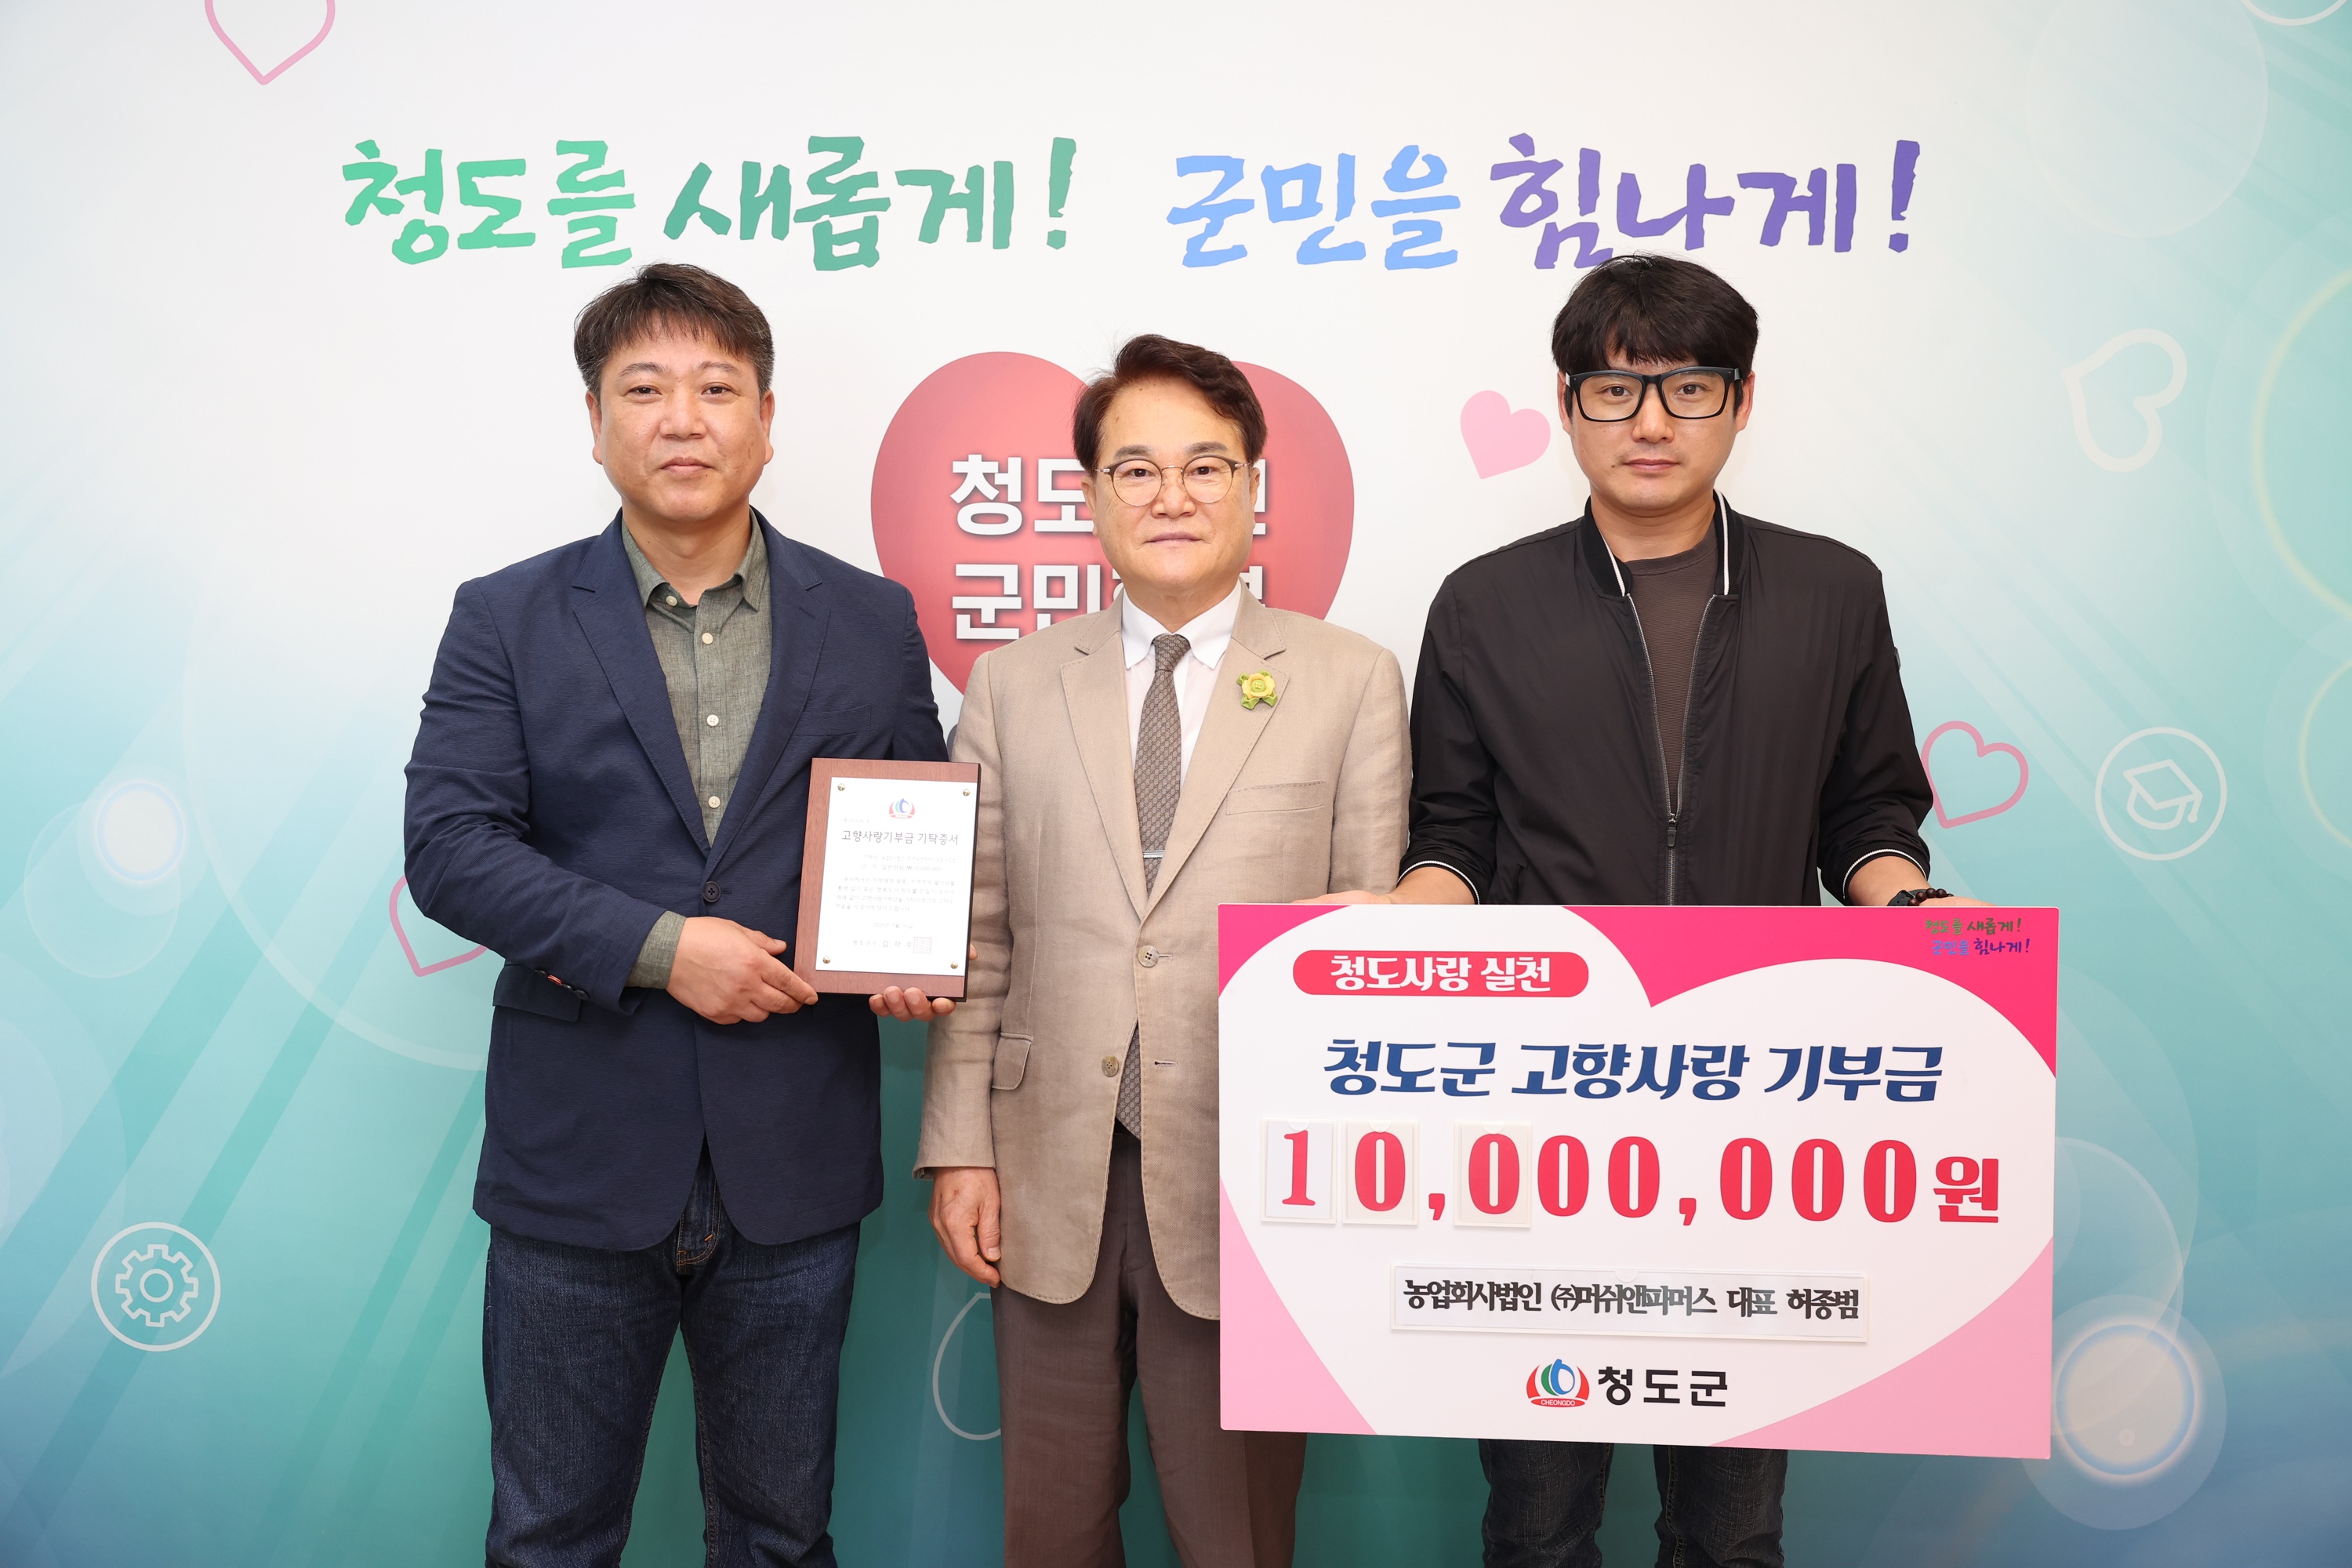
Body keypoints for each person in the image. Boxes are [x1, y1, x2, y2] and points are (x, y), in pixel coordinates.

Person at [1319, 253, 1989, 1567]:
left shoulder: (1833, 590)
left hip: (1755, 1111)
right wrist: (1398, 918)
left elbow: (1866, 816)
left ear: (1743, 403)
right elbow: (1455, 838)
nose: (1650, 421)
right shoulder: (1485, 602)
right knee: (1536, 1523)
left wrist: (1911, 904)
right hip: (1546, 1115)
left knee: (1732, 1533)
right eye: (1614, 389)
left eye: (1689, 387)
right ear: (1566, 405)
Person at [402, 262, 947, 1568]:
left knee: (778, 1535)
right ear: (595, 422)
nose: (683, 419)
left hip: (794, 1154)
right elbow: (450, 850)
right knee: (550, 1535)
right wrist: (660, 951)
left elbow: (915, 830)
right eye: (644, 389)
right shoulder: (505, 616)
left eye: (717, 387)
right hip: (579, 1158)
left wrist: (914, 950)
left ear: (768, 418)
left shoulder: (871, 619)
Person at [906, 335, 1409, 1567]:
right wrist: (960, 1146)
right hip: (1046, 1172)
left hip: (1256, 1181)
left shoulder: (1350, 681)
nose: (1170, 496)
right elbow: (979, 933)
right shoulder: (1013, 685)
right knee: (1051, 1530)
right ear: (1090, 496)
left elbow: (1367, 954)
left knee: (1237, 1535)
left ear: (1253, 487)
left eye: (1204, 466)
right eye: (1135, 470)